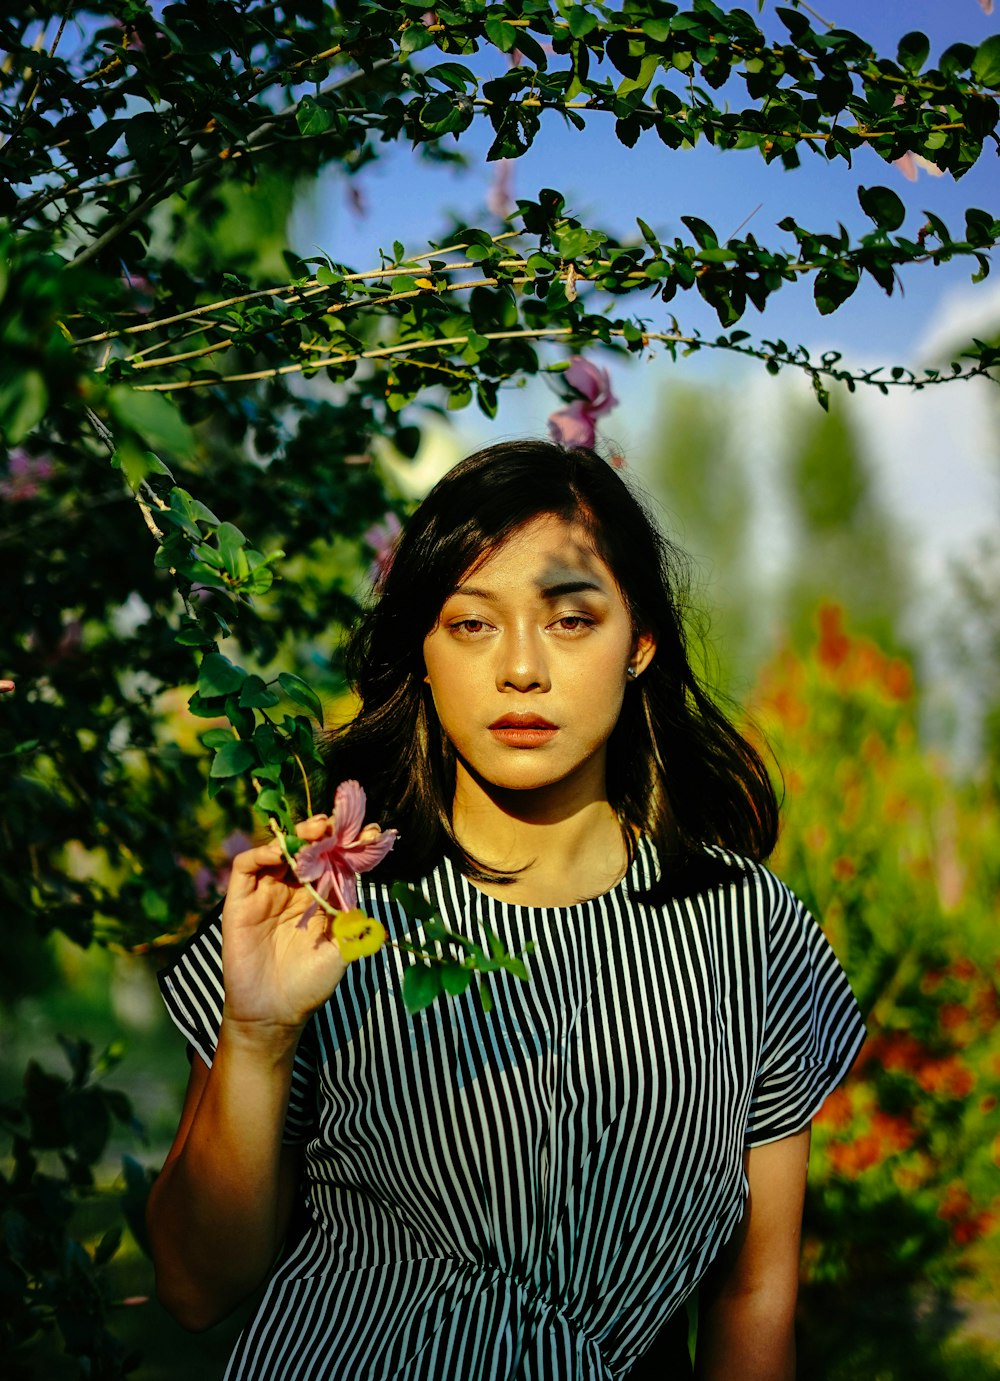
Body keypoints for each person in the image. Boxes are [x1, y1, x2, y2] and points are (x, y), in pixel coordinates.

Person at [147, 439, 866, 1380]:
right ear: (424, 650)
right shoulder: (329, 907)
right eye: (472, 624)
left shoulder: (754, 930)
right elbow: (196, 1285)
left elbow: (753, 1294)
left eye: (570, 620)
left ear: (639, 640)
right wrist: (257, 1033)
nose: (521, 669)